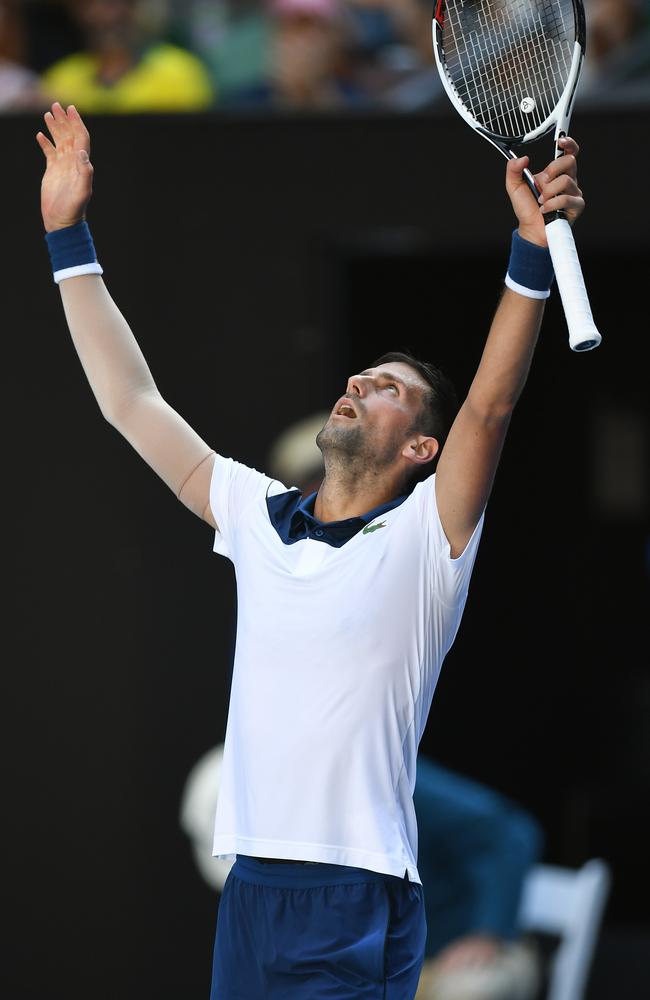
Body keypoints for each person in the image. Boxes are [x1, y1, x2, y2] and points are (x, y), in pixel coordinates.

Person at [35, 101, 585, 999]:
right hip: (251, 886)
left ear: (422, 450)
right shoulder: (253, 515)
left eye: (395, 390)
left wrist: (529, 256)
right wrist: (68, 236)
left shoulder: (425, 541)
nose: (364, 381)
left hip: (356, 892)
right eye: (366, 373)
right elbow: (129, 402)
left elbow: (487, 406)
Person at [40, 0, 214, 113]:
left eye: (116, 4)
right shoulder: (61, 78)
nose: (107, 17)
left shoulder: (181, 71)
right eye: (93, 5)